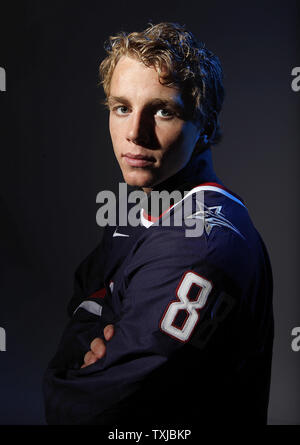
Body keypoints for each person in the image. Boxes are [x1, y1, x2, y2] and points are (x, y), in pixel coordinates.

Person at [43, 22, 274, 426]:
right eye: (122, 108)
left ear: (205, 123)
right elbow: (83, 301)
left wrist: (91, 343)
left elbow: (96, 407)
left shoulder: (203, 243)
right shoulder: (135, 211)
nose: (135, 133)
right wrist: (94, 327)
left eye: (163, 111)